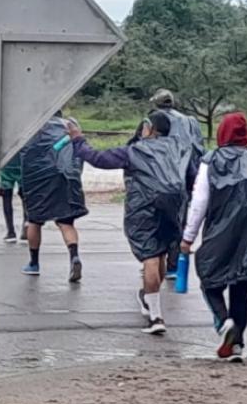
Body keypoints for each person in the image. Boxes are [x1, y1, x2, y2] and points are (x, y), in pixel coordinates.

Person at [69, 112, 185, 335]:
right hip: (173, 208)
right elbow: (192, 175)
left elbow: (98, 159)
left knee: (150, 257)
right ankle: (150, 301)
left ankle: (156, 317)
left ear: (149, 128)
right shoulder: (179, 150)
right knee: (160, 253)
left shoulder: (135, 150)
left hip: (144, 209)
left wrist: (78, 140)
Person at [180, 113, 247, 362]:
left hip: (221, 227)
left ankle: (224, 323)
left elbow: (199, 201)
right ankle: (237, 345)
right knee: (240, 283)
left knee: (209, 277)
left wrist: (188, 237)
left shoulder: (212, 160)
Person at [134, 90, 205, 278]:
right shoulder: (190, 121)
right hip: (181, 177)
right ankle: (173, 265)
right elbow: (198, 148)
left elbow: (135, 144)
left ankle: (153, 260)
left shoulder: (152, 120)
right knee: (177, 220)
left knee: (152, 219)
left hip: (154, 178)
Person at [20, 112, 88, 282]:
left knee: (34, 220)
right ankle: (74, 256)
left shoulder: (34, 127)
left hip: (39, 178)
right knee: (65, 222)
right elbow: (80, 151)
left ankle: (34, 263)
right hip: (67, 176)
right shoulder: (70, 125)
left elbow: (25, 154)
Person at [0, 153, 24, 243]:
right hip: (22, 162)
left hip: (6, 164)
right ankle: (26, 229)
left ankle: (10, 231)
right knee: (25, 197)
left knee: (6, 198)